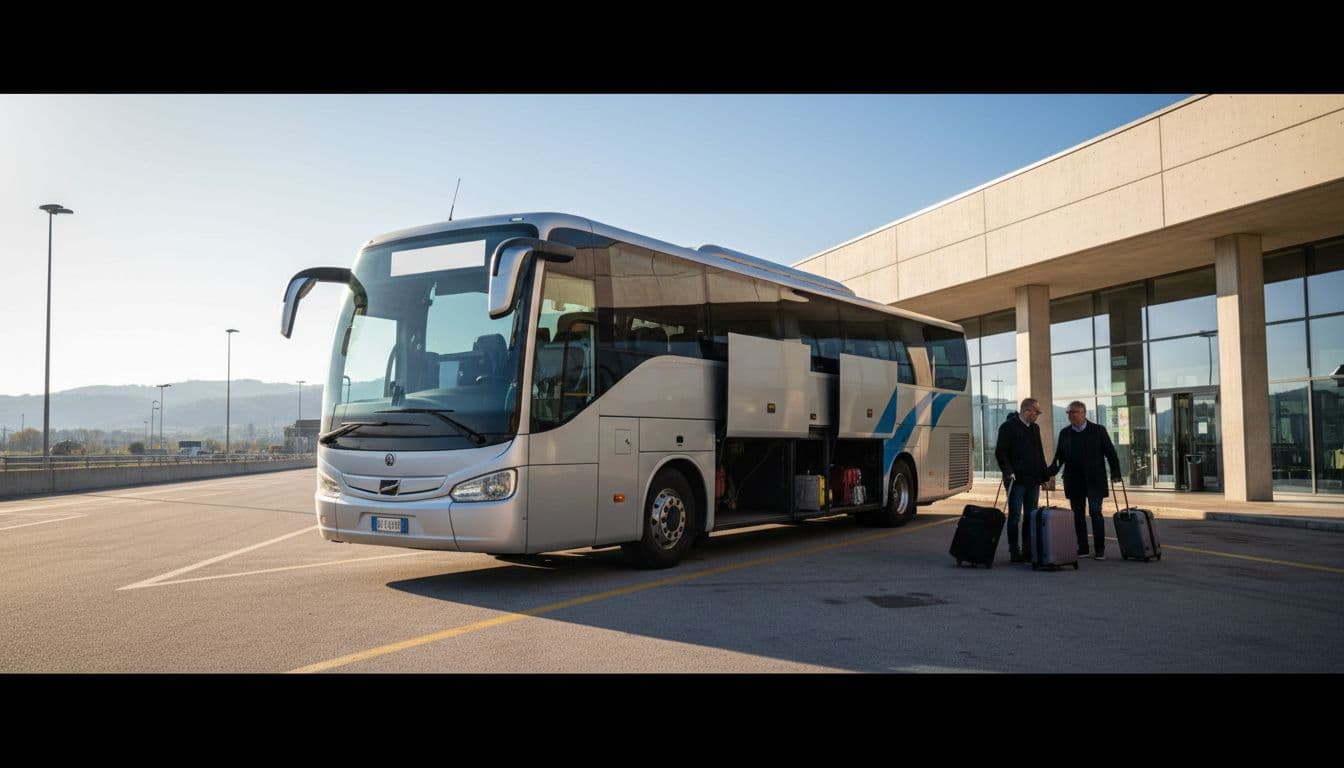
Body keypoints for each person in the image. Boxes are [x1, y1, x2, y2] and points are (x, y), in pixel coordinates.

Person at [1047, 400, 1122, 560]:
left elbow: (1110, 453)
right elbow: (1059, 458)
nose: (1070, 415)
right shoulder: (1065, 433)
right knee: (1078, 516)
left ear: (1083, 413)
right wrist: (1048, 473)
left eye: (1074, 412)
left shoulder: (1098, 431)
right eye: (1068, 412)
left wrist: (1115, 473)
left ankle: (1100, 549)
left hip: (1095, 480)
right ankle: (1083, 547)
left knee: (1095, 513)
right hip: (1074, 481)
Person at [994, 397, 1049, 563]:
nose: (1037, 415)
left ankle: (1028, 548)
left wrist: (1045, 476)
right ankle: (1014, 549)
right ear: (1026, 411)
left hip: (1033, 480)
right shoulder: (1008, 427)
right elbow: (1000, 452)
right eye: (1036, 412)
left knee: (1031, 516)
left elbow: (1039, 453)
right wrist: (1008, 471)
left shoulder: (1035, 428)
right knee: (1015, 515)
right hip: (1016, 481)